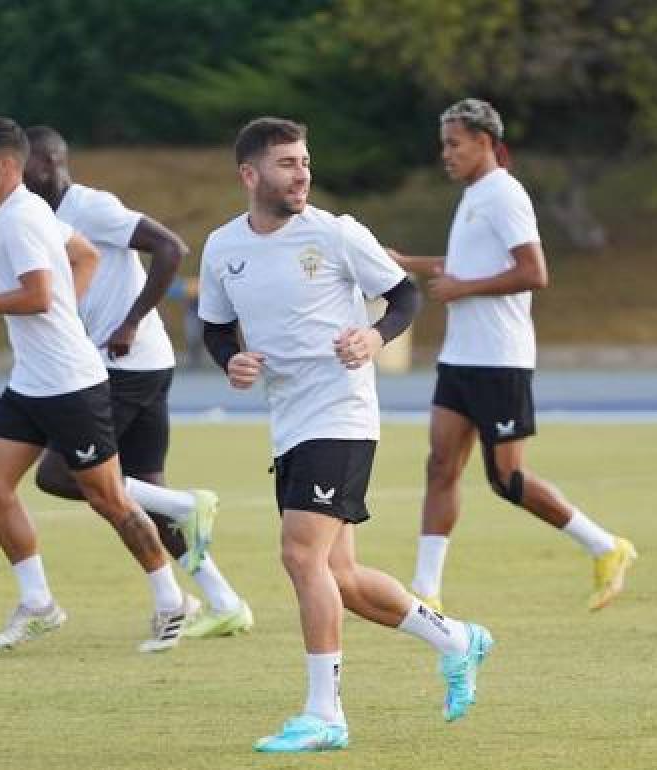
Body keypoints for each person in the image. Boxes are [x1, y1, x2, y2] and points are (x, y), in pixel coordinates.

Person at [199, 117, 494, 753]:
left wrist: (373, 336)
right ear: (250, 175)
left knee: (300, 556)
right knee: (343, 576)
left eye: (305, 161)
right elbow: (216, 328)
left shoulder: (336, 233)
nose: (301, 173)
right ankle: (457, 639)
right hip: (289, 423)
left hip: (342, 414)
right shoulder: (223, 247)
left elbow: (404, 297)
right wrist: (232, 361)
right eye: (286, 163)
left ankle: (325, 713)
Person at [0, 117, 198, 653]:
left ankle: (173, 599)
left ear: (5, 166)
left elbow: (38, 297)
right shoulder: (29, 210)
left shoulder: (19, 219)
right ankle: (38, 604)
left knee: (110, 499)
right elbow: (85, 255)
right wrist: (66, 309)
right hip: (31, 382)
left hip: (70, 385)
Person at [389, 99, 637, 613]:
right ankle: (426, 590)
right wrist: (406, 262)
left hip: (500, 359)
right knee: (440, 466)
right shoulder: (475, 195)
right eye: (443, 145)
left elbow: (533, 272)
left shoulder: (504, 194)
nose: (446, 154)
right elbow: (464, 263)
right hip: (460, 358)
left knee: (508, 480)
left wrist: (463, 289)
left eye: (454, 144)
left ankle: (606, 547)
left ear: (484, 142)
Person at [22, 125, 250, 638]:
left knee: (59, 475)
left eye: (23, 164)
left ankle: (188, 506)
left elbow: (170, 248)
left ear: (49, 163)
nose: (16, 175)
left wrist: (131, 321)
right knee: (146, 489)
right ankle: (224, 601)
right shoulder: (44, 219)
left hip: (124, 366)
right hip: (136, 364)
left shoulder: (91, 207)